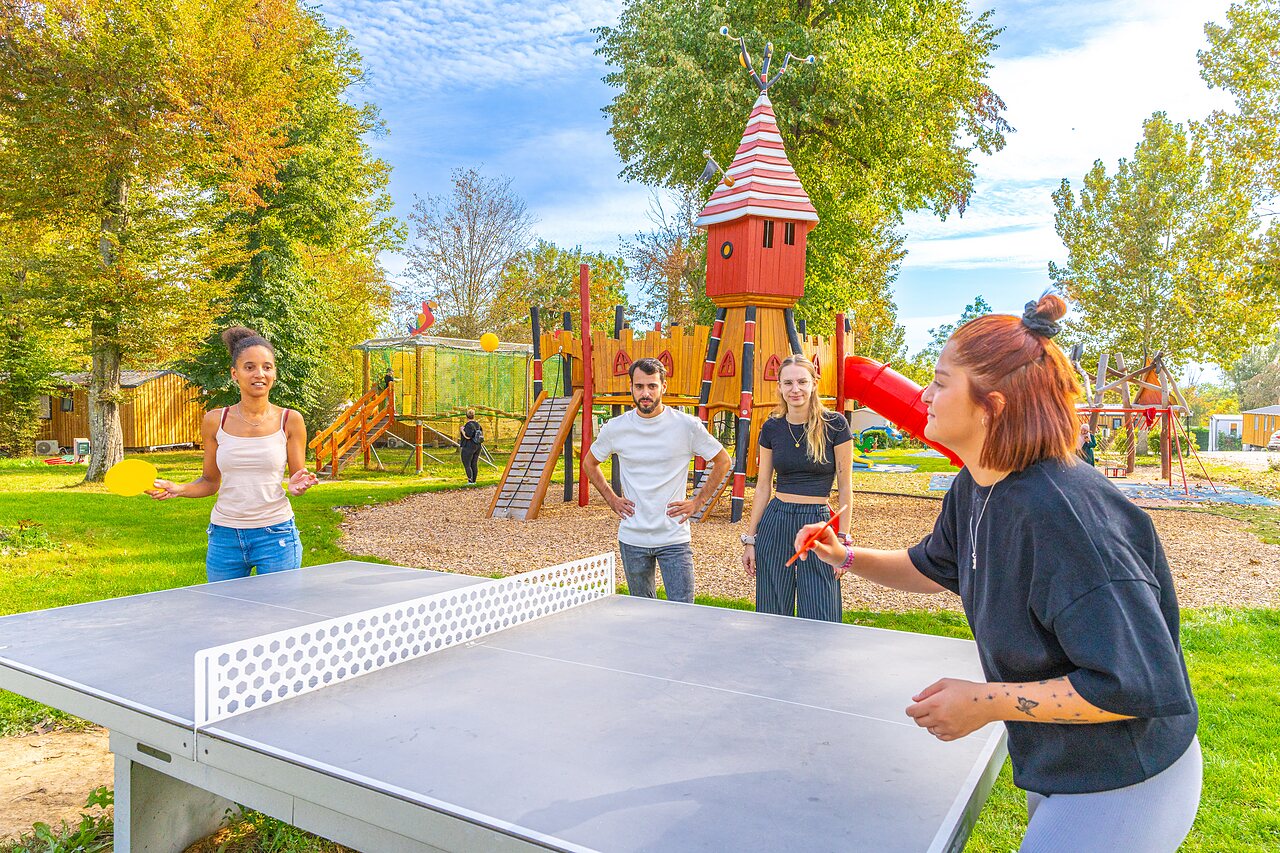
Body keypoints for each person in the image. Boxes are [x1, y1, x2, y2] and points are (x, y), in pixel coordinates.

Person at [795, 294, 1200, 852]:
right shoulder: (976, 485)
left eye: (940, 382)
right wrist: (846, 557)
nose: (924, 394)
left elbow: (1137, 684)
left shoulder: (1067, 518)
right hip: (1061, 763)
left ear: (993, 405)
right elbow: (934, 566)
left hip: (1129, 775)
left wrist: (986, 702)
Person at [150, 327, 318, 582]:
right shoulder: (215, 420)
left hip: (276, 535)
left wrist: (298, 485)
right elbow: (209, 482)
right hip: (225, 536)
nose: (259, 374)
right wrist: (178, 488)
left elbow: (298, 477)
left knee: (279, 616)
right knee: (224, 616)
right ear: (234, 374)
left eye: (267, 367)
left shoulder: (290, 420)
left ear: (274, 373)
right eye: (249, 367)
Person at [583, 357, 732, 603]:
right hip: (633, 537)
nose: (645, 393)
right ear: (630, 387)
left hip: (674, 537)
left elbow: (723, 460)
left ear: (664, 387)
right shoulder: (616, 428)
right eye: (639, 386)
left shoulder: (687, 426)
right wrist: (612, 499)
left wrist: (697, 502)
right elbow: (590, 463)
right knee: (643, 616)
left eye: (652, 386)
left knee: (683, 613)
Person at [742, 355, 852, 621]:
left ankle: (818, 661)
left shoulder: (835, 424)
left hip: (818, 521)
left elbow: (846, 486)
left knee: (821, 607)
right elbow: (762, 487)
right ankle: (772, 659)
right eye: (788, 383)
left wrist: (845, 542)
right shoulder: (771, 427)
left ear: (814, 383)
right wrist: (750, 539)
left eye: (802, 382)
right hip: (776, 519)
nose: (795, 389)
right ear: (779, 386)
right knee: (772, 606)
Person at [460, 408, 483, 485]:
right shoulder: (478, 425)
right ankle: (474, 481)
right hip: (477, 446)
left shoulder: (468, 425)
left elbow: (468, 436)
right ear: (474, 416)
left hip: (468, 446)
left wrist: (462, 430)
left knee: (467, 463)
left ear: (466, 416)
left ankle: (470, 480)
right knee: (474, 463)